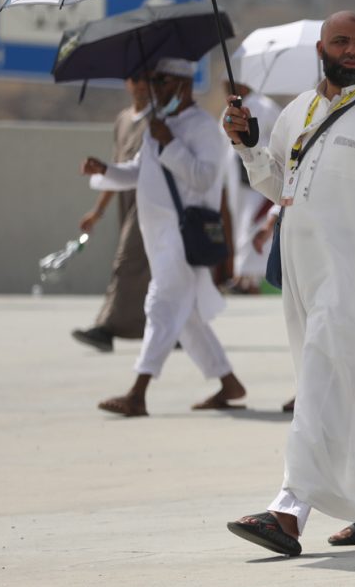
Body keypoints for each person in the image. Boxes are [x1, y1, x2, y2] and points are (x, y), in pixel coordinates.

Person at [223, 11, 355, 557]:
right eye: (342, 41)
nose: (354, 50)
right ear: (323, 47)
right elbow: (277, 183)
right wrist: (247, 146)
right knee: (347, 390)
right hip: (300, 272)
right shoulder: (298, 110)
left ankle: (288, 511)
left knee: (318, 381)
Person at [81, 58, 245, 417]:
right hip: (157, 237)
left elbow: (204, 178)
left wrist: (170, 144)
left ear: (182, 85)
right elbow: (138, 172)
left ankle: (138, 392)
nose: (152, 89)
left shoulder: (202, 128)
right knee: (186, 319)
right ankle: (228, 383)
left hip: (183, 237)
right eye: (151, 81)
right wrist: (105, 170)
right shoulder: (161, 124)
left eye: (160, 81)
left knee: (159, 305)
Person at [71, 75, 152, 352]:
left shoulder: (159, 121)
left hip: (151, 202)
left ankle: (106, 327)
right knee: (151, 269)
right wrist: (98, 211)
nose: (141, 84)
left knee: (127, 262)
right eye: (135, 77)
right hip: (127, 202)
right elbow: (116, 171)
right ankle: (168, 328)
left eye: (146, 77)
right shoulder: (123, 120)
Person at [221, 82, 282, 294]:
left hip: (259, 181)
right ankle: (241, 276)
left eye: (230, 85)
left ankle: (251, 279)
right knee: (241, 227)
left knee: (253, 225)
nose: (227, 89)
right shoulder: (229, 111)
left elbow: (279, 140)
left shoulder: (264, 106)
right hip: (239, 184)